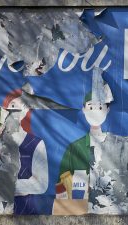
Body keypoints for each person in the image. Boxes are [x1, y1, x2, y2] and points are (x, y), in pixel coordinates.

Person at [53, 81, 113, 215]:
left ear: (107, 109)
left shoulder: (116, 145)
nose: (96, 112)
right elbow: (61, 181)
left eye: (100, 107)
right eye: (91, 107)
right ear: (84, 109)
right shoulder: (75, 147)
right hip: (79, 209)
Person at [1, 89, 49, 214]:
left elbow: (41, 185)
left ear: (26, 110)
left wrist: (5, 186)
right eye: (12, 106)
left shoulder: (36, 144)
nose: (16, 111)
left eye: (21, 106)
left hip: (26, 213)